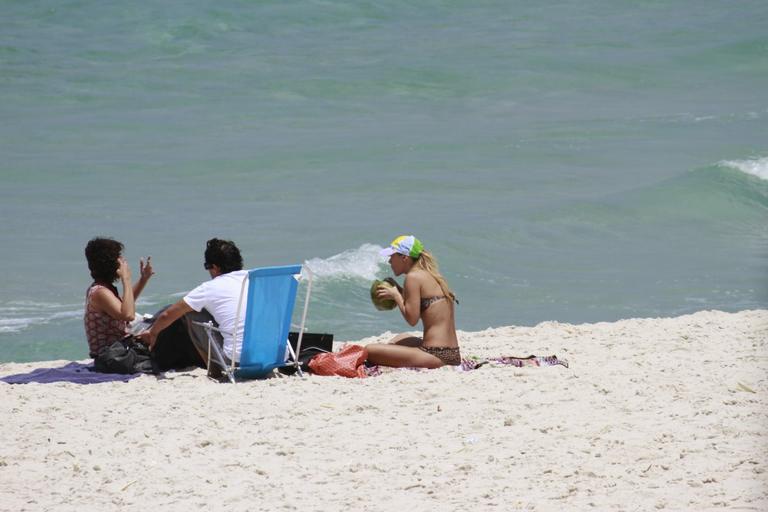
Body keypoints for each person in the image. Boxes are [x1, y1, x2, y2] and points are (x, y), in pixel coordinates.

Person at [138, 238, 248, 372]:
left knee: (190, 310)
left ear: (215, 267)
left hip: (236, 361)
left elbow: (168, 314)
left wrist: (153, 333)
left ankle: (214, 368)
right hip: (271, 356)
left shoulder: (210, 288)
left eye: (207, 266)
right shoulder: (255, 281)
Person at [366, 235, 461, 368]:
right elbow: (421, 303)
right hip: (452, 353)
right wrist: (399, 290)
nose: (389, 262)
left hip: (435, 354)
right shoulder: (430, 275)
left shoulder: (413, 277)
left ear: (404, 257)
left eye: (392, 257)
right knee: (400, 338)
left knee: (369, 350)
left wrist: (396, 296)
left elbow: (412, 319)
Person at [83, 237, 154, 358]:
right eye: (119, 257)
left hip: (118, 349)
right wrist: (126, 278)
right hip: (113, 355)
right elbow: (128, 315)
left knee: (162, 319)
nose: (123, 261)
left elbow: (124, 305)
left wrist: (143, 279)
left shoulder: (102, 288)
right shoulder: (99, 292)